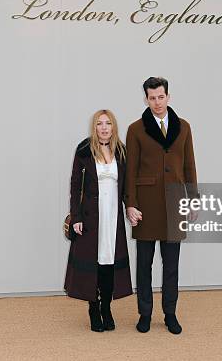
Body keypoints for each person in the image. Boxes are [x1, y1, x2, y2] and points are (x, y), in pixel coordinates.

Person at [125, 77, 198, 335]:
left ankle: (170, 314)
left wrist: (193, 200)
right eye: (152, 98)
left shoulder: (184, 127)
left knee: (172, 265)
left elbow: (189, 166)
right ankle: (145, 313)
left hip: (175, 203)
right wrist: (130, 205)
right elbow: (130, 171)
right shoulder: (135, 129)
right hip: (145, 206)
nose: (156, 102)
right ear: (145, 99)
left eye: (161, 97)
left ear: (168, 97)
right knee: (144, 265)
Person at [64, 109, 133, 332]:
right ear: (94, 128)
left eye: (108, 123)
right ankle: (94, 309)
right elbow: (75, 186)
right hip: (90, 217)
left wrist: (130, 207)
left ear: (113, 127)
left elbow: (127, 186)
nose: (104, 128)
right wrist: (75, 216)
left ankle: (106, 307)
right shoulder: (84, 150)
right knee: (93, 263)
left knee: (108, 262)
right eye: (99, 124)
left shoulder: (121, 151)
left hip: (112, 215)